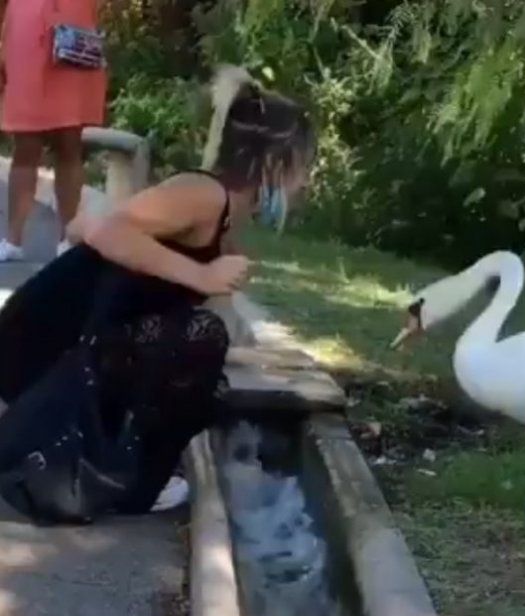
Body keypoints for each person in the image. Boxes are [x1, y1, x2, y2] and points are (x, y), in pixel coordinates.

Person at [0, 65, 316, 516]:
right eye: (304, 166)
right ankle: (132, 487)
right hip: (37, 346)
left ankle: (117, 459)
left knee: (200, 358)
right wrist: (201, 276)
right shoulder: (202, 193)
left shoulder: (228, 212)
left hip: (80, 344)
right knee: (199, 339)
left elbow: (90, 226)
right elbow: (100, 230)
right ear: (273, 160)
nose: (305, 181)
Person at [0, 0, 108, 261]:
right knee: (26, 142)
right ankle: (13, 240)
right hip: (26, 33)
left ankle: (69, 237)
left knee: (70, 141)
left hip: (74, 34)